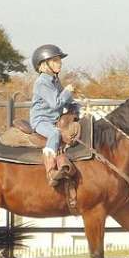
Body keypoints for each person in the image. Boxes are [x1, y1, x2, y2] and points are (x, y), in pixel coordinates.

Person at [29, 44, 79, 187]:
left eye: (59, 60)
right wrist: (67, 91)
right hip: (41, 121)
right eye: (55, 60)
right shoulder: (42, 83)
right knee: (54, 134)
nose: (60, 63)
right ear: (44, 65)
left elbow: (65, 102)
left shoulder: (55, 81)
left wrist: (74, 106)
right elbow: (56, 104)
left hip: (54, 120)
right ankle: (50, 171)